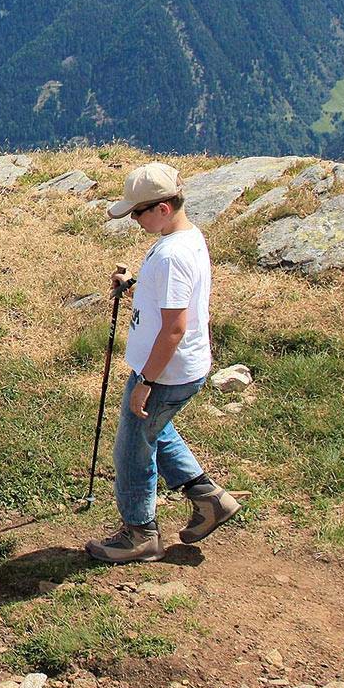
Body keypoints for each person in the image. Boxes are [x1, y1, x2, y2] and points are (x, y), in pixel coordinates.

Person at [86, 162, 240, 564]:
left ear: (163, 209)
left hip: (164, 373)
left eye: (138, 212)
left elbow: (174, 328)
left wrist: (146, 381)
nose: (134, 219)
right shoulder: (184, 238)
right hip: (170, 370)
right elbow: (171, 295)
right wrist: (135, 283)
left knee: (132, 449)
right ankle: (209, 500)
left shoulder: (172, 255)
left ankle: (140, 534)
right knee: (154, 429)